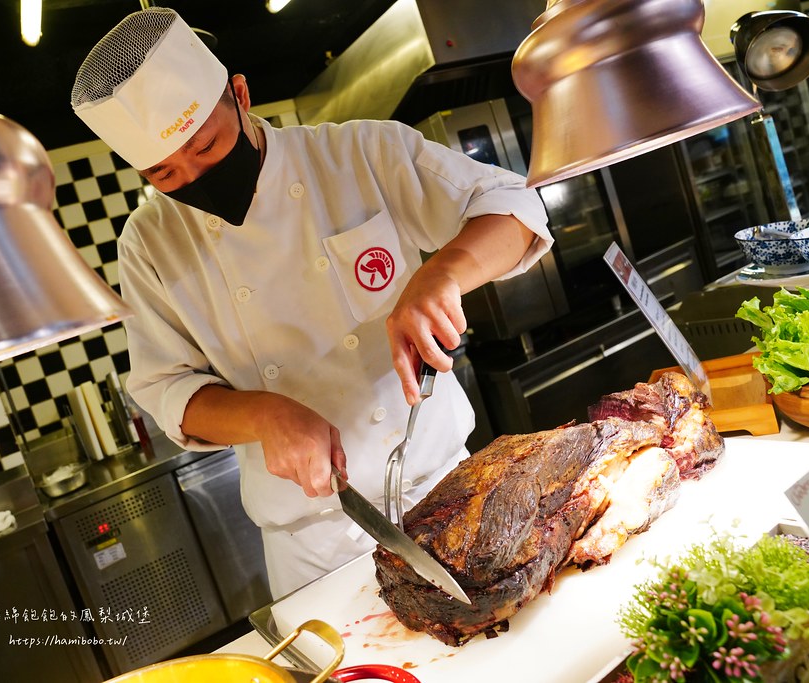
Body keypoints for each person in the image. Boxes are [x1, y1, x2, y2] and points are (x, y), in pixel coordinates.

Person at [71, 7, 553, 598]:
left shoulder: (359, 154)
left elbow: (515, 207)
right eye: (164, 173)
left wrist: (443, 274)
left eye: (207, 145)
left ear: (241, 95)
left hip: (451, 490)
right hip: (313, 548)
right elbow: (168, 392)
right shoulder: (150, 243)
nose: (195, 176)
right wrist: (265, 415)